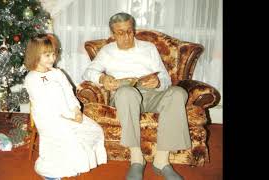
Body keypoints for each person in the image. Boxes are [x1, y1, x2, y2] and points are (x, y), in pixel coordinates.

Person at [82, 12, 191, 180]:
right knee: (126, 93)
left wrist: (158, 81)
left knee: (178, 93)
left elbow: (165, 78)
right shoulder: (107, 51)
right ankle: (136, 159)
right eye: (120, 32)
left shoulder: (148, 48)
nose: (126, 36)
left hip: (152, 94)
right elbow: (88, 72)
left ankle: (162, 161)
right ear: (112, 34)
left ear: (134, 30)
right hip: (125, 96)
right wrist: (103, 78)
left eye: (129, 31)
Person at [24, 34, 107, 180]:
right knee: (70, 139)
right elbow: (44, 104)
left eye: (53, 54)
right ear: (35, 55)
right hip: (48, 118)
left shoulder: (57, 73)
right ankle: (50, 171)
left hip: (67, 113)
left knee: (94, 130)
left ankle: (73, 164)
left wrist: (76, 111)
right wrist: (65, 117)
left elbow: (69, 94)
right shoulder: (31, 78)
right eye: (47, 55)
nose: (52, 58)